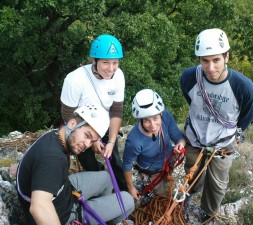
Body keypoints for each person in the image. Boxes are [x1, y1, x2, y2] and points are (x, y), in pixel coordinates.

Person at [180, 28, 253, 224]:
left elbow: (248, 114)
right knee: (192, 172)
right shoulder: (189, 77)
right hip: (195, 137)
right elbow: (192, 102)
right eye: (205, 61)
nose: (211, 67)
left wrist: (230, 133)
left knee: (217, 183)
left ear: (226, 57)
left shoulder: (242, 86)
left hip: (223, 143)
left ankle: (209, 215)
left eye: (216, 60)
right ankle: (187, 197)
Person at [17, 104, 134, 225]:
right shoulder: (53, 158)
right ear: (72, 124)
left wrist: (92, 139)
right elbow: (39, 207)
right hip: (64, 214)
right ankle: (95, 218)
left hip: (63, 190)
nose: (87, 145)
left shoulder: (55, 135)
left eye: (92, 141)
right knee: (128, 201)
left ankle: (99, 215)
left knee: (106, 178)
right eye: (87, 135)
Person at [60, 34, 127, 191]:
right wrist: (92, 140)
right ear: (93, 60)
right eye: (105, 63)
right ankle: (101, 188)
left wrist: (110, 141)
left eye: (115, 63)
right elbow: (67, 115)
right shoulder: (75, 79)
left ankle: (123, 193)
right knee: (89, 162)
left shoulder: (118, 76)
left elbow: (116, 110)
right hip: (81, 128)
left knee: (115, 159)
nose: (111, 68)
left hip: (105, 125)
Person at [122, 89, 186, 202]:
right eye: (146, 121)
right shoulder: (134, 140)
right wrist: (130, 187)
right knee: (163, 197)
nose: (153, 125)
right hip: (152, 171)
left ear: (161, 114)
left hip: (168, 161)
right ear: (140, 120)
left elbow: (178, 136)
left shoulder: (165, 116)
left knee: (167, 187)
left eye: (156, 118)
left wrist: (180, 144)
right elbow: (127, 165)